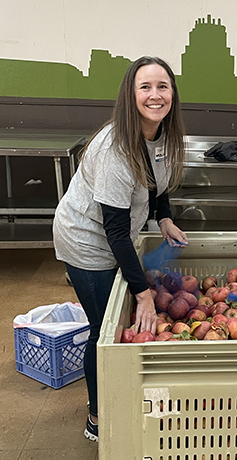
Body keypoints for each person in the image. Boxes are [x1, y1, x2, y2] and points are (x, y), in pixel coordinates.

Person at [52, 56, 188, 442]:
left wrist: (163, 218)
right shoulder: (115, 149)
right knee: (104, 332)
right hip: (86, 241)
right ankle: (97, 417)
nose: (155, 95)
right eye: (145, 87)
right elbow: (114, 230)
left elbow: (157, 186)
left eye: (163, 86)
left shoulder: (164, 135)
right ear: (130, 95)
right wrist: (142, 293)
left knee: (115, 323)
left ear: (173, 94)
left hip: (116, 237)